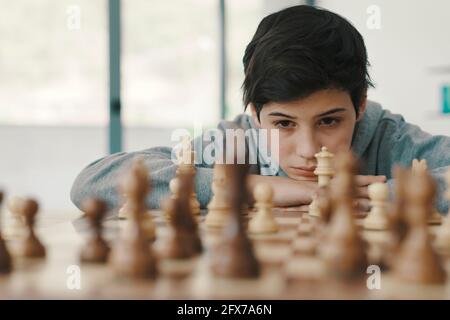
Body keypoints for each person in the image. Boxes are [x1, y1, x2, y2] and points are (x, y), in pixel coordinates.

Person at [70, 5, 450, 214]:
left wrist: (386, 194)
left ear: (361, 105)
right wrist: (255, 185)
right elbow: (91, 183)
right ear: (253, 114)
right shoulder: (236, 142)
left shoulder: (390, 139)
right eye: (283, 123)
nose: (307, 150)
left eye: (329, 121)